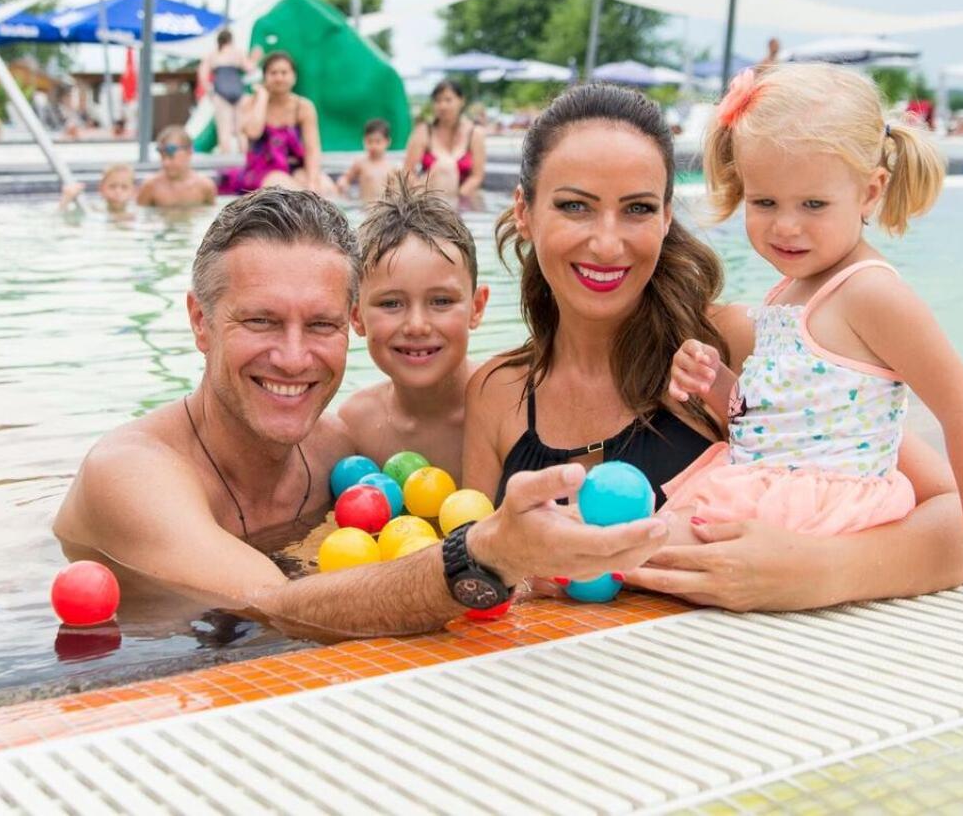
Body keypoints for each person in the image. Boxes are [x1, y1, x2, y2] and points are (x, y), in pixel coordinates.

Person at [53, 188, 669, 638]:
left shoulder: (338, 453)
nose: (293, 358)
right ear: (200, 322)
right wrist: (483, 556)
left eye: (319, 325)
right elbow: (273, 602)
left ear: (347, 325)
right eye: (261, 320)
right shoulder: (131, 472)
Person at [460, 83, 963, 613]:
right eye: (574, 206)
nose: (608, 243)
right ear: (524, 211)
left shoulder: (740, 345)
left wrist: (826, 570)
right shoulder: (499, 394)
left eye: (636, 208)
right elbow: (466, 576)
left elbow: (956, 522)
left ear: (664, 218)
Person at [664, 64, 963, 603]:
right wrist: (716, 382)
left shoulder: (870, 292)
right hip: (768, 487)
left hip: (823, 509)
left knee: (641, 547)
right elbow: (770, 422)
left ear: (869, 193)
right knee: (638, 544)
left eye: (813, 205)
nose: (786, 226)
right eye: (764, 202)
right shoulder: (790, 291)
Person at [338, 174, 489, 483]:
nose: (417, 326)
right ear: (356, 317)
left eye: (442, 301)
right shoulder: (355, 428)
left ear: (476, 307)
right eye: (391, 304)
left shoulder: (510, 405)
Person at [216, 52, 336, 197]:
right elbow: (253, 132)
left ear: (294, 76)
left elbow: (312, 149)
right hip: (262, 170)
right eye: (273, 73)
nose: (279, 78)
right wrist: (262, 97)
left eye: (284, 73)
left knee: (327, 188)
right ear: (264, 76)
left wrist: (312, 181)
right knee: (285, 191)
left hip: (296, 167)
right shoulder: (250, 102)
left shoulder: (303, 107)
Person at [403, 80, 487, 199]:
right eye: (438, 101)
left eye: (448, 100)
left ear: (461, 101)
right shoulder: (423, 132)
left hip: (462, 198)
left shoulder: (475, 134)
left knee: (446, 166)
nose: (443, 106)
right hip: (428, 198)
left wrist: (458, 198)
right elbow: (408, 172)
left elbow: (477, 176)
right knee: (444, 166)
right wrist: (422, 197)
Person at [198, 28, 262, 155]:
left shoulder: (212, 55)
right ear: (231, 40)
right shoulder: (237, 53)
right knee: (240, 130)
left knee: (224, 129)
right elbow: (251, 68)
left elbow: (203, 75)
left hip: (221, 92)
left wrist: (211, 92)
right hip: (237, 90)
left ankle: (226, 162)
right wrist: (255, 58)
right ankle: (244, 158)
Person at [137, 125, 218, 208]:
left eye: (171, 157)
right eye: (162, 157)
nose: (166, 163)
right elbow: (140, 217)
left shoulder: (205, 186)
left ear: (189, 152)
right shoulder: (151, 186)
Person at [337, 119, 395, 202]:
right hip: (365, 208)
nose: (373, 146)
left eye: (378, 142)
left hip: (385, 211)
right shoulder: (361, 163)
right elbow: (346, 178)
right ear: (364, 140)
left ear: (387, 141)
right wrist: (343, 183)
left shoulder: (391, 167)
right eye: (369, 141)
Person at [60, 162, 137, 218]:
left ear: (133, 192)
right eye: (112, 186)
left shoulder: (136, 214)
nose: (118, 191)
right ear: (101, 189)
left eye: (124, 187)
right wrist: (66, 200)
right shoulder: (93, 210)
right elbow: (59, 218)